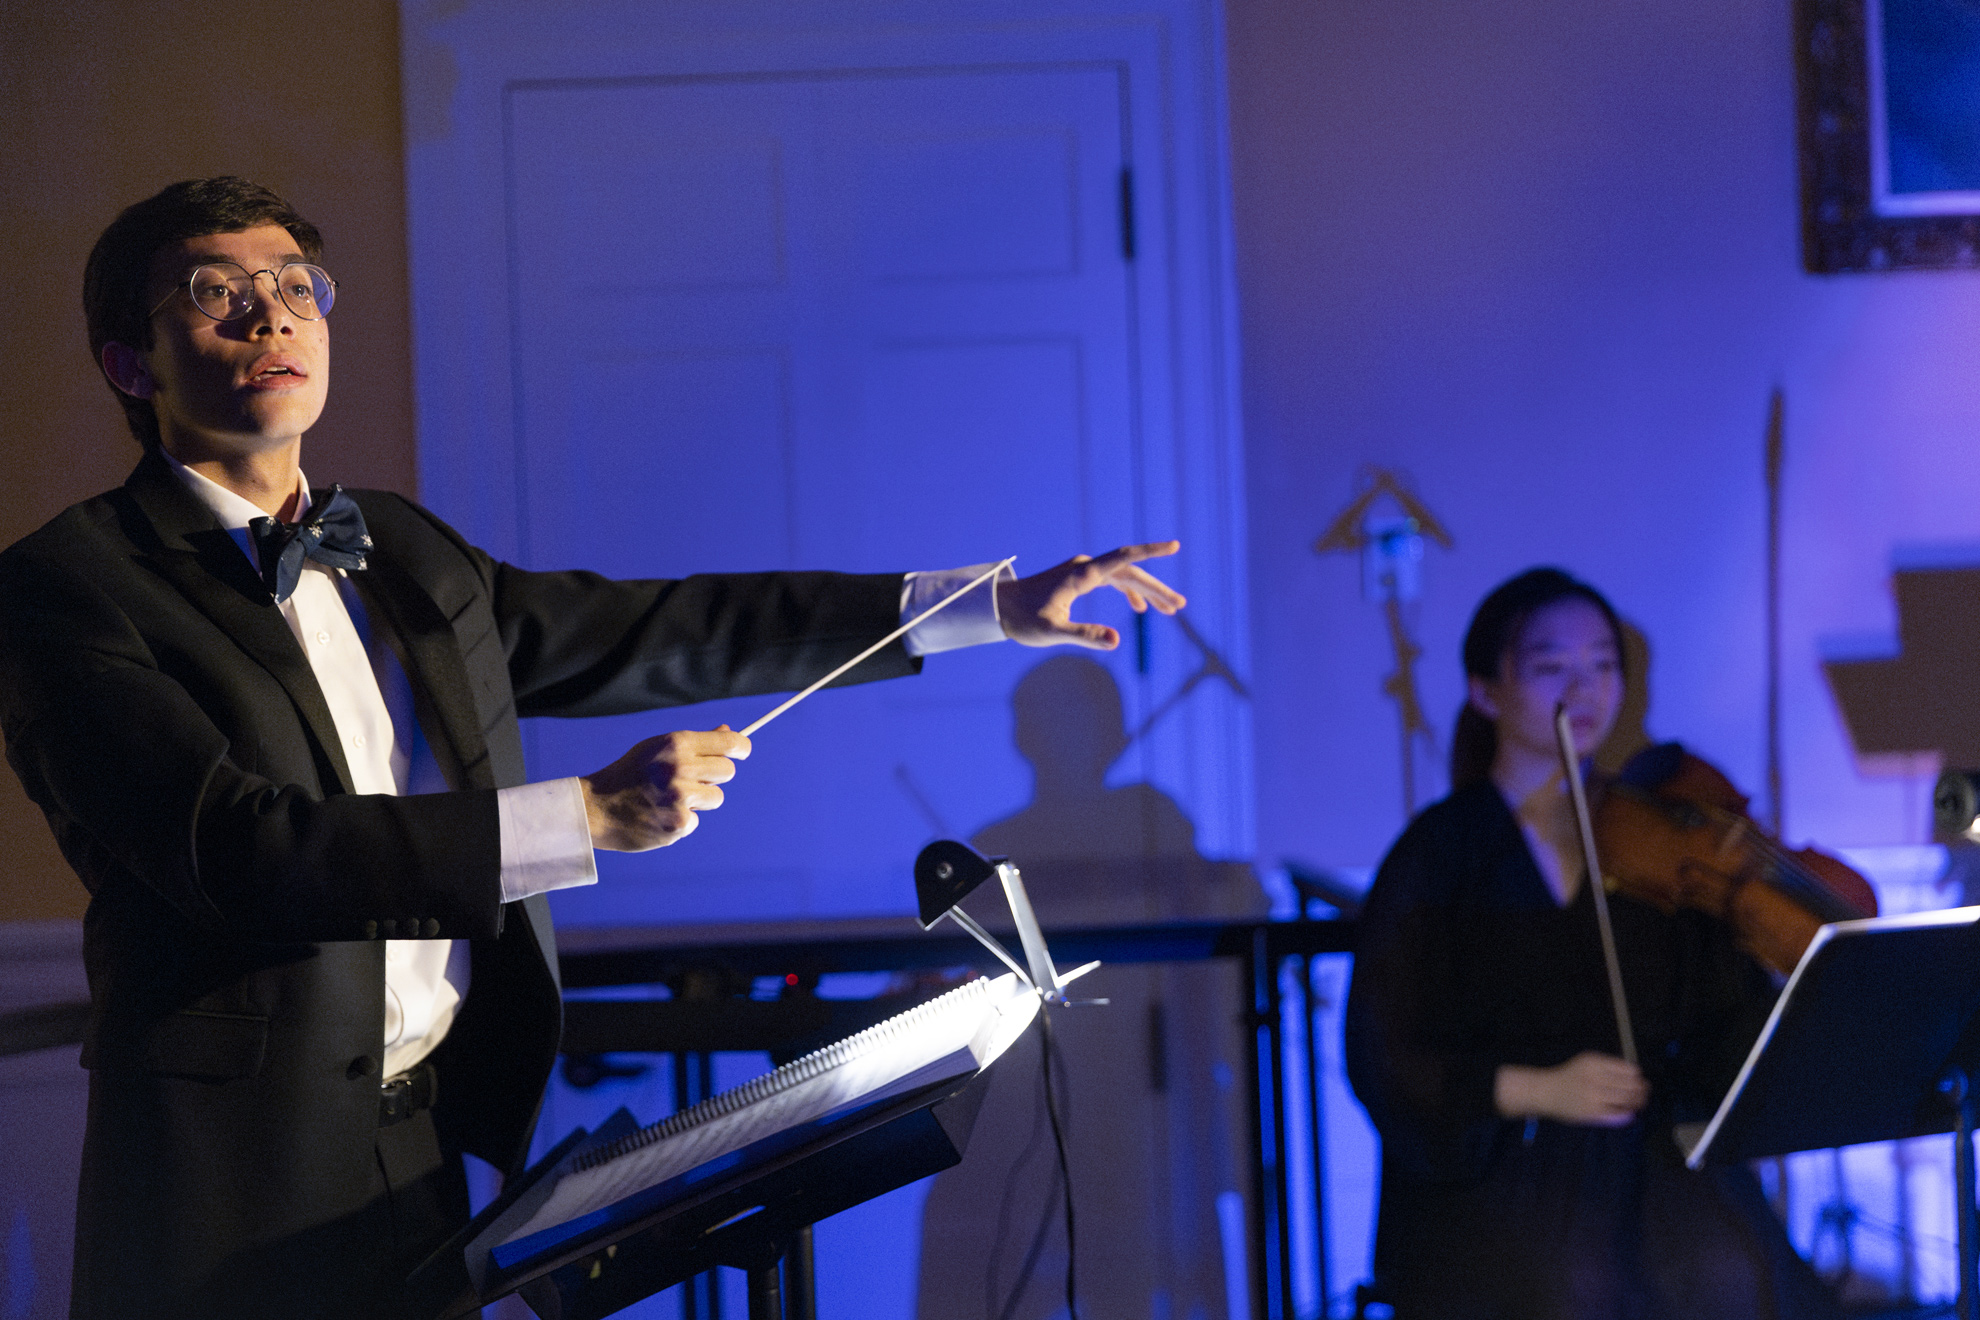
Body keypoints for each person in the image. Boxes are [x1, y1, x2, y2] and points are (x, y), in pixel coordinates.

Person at [0, 177, 1184, 1319]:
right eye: (216, 291)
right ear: (128, 361)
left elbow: (654, 629)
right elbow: (237, 851)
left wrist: (982, 606)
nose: (271, 312)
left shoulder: (396, 544)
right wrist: (586, 820)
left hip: (430, 1144)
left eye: (297, 285)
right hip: (227, 1179)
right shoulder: (69, 588)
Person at [1343, 567, 1838, 1320]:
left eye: (1603, 664)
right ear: (1486, 691)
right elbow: (1385, 1051)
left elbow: (1721, 1012)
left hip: (1651, 1156)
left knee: (1733, 1274)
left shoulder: (1662, 834)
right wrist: (1538, 1089)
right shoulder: (1440, 853)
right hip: (1508, 1159)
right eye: (1552, 668)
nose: (1587, 688)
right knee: (1574, 1287)